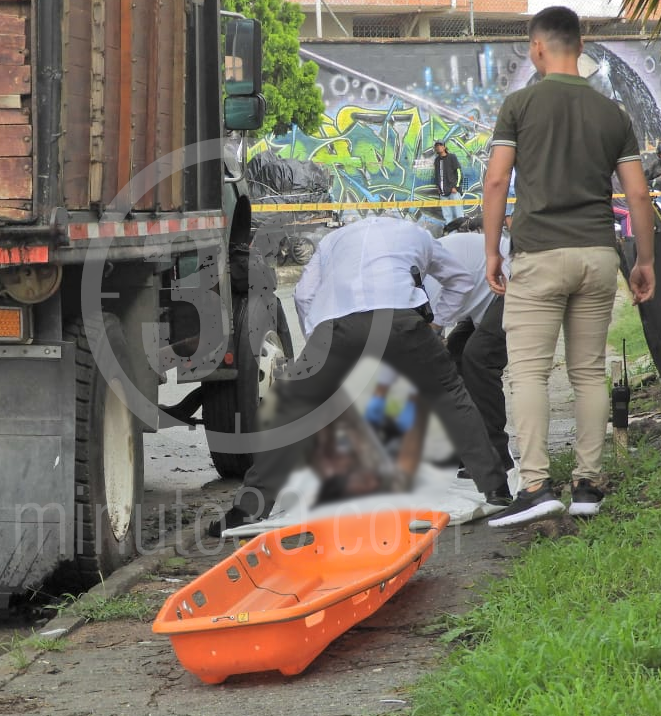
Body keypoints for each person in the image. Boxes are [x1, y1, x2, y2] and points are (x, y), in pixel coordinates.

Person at [210, 216, 511, 536]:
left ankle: (248, 508)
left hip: (336, 326)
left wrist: (318, 343)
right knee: (451, 398)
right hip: (401, 320)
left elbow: (303, 295)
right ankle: (495, 487)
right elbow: (461, 280)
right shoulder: (417, 234)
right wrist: (436, 325)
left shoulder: (331, 242)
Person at [480, 5, 656, 528]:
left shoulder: (519, 104)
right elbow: (639, 194)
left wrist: (492, 250)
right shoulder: (613, 115)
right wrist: (642, 259)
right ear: (580, 47)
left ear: (537, 48)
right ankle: (587, 484)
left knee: (529, 371)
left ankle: (535, 486)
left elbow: (495, 183)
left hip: (539, 253)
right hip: (599, 256)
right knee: (587, 372)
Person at [364, 232, 514, 474]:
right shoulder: (395, 290)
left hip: (510, 284)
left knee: (478, 358)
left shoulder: (419, 285)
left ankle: (496, 456)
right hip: (480, 298)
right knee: (455, 359)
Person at [434, 140, 465, 225]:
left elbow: (459, 172)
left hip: (453, 191)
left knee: (459, 214)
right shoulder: (437, 160)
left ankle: (461, 232)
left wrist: (456, 187)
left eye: (440, 145)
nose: (438, 147)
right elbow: (437, 175)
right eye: (437, 146)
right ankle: (451, 234)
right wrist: (438, 188)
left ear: (444, 147)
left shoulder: (452, 157)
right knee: (447, 215)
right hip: (443, 193)